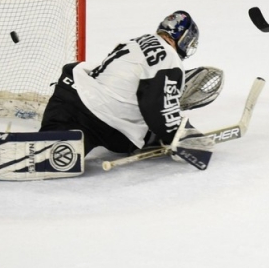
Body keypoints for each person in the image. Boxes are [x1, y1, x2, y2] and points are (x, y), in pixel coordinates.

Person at [40, 10, 216, 161]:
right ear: (184, 39)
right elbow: (157, 107)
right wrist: (183, 140)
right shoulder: (170, 58)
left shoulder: (136, 41)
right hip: (106, 122)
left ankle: (42, 141)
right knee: (136, 134)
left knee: (51, 141)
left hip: (70, 92)